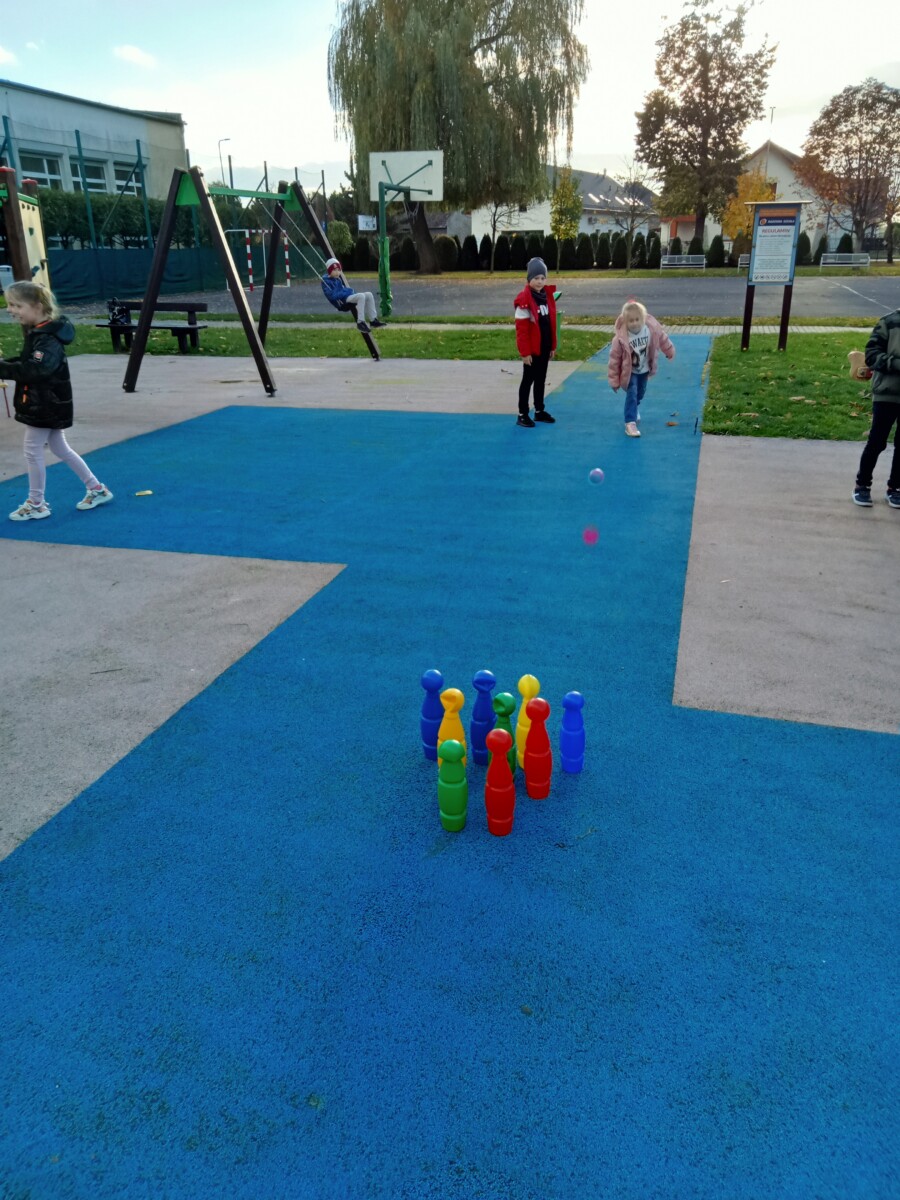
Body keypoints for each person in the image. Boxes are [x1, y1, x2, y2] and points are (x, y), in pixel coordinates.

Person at [1, 280, 113, 522]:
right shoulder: (42, 333)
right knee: (60, 448)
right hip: (48, 402)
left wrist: (4, 369)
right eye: (9, 305)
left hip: (46, 404)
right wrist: (6, 365)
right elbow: (29, 362)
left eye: (16, 305)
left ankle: (36, 503)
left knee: (32, 451)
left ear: (37, 306)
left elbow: (36, 370)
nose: (10, 310)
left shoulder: (47, 339)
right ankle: (96, 489)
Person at [852, 308, 900, 508]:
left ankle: (895, 488)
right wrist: (896, 364)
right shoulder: (889, 322)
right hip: (887, 393)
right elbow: (872, 355)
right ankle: (862, 485)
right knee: (877, 442)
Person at [607, 298, 675, 437]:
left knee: (640, 392)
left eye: (637, 319)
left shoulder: (651, 330)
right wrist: (614, 381)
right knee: (632, 392)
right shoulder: (620, 339)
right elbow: (614, 360)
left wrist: (669, 351)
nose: (634, 323)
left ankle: (635, 407)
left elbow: (662, 339)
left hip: (644, 369)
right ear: (625, 321)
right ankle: (630, 422)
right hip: (630, 371)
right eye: (631, 321)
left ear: (643, 318)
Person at [513, 257, 557, 428]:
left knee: (541, 379)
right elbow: (522, 331)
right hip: (531, 351)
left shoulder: (547, 296)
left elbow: (551, 323)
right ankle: (522, 414)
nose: (540, 282)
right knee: (528, 380)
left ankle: (539, 410)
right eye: (536, 278)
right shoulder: (524, 300)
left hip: (544, 347)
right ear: (529, 278)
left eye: (542, 278)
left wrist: (552, 346)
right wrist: (525, 353)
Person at [320, 257, 386, 332]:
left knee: (369, 294)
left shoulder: (337, 279)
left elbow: (342, 290)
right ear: (329, 271)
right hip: (342, 303)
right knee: (361, 296)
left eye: (339, 270)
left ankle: (373, 320)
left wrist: (347, 291)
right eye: (334, 270)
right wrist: (347, 291)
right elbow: (333, 296)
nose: (337, 272)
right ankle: (360, 323)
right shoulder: (326, 282)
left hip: (346, 297)